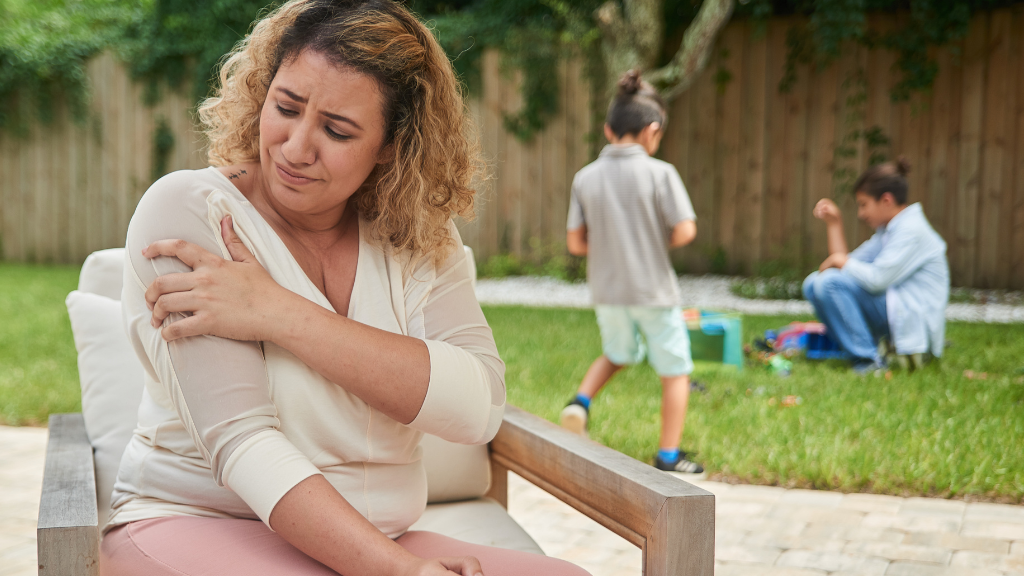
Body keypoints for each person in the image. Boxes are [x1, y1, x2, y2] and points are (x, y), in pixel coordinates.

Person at [100, 2, 591, 575]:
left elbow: (476, 409)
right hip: (198, 522)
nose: (296, 147)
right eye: (285, 108)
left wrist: (279, 313)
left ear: (391, 145)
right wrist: (398, 572)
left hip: (381, 539)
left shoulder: (418, 237)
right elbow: (242, 443)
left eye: (337, 130)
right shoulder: (189, 212)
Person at [557, 70, 702, 474]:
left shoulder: (585, 178)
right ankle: (669, 456)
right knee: (676, 372)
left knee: (618, 352)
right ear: (652, 131)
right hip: (653, 292)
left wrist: (610, 246)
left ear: (608, 130)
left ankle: (579, 403)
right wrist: (651, 242)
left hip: (607, 291)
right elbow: (685, 229)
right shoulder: (661, 173)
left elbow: (575, 243)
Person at [803, 159, 949, 375]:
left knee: (829, 283)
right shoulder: (889, 231)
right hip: (894, 310)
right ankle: (857, 352)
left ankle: (868, 362)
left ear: (886, 200)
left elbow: (876, 279)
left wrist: (840, 262)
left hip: (914, 326)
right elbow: (845, 264)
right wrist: (834, 223)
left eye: (863, 204)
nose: (861, 214)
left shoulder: (911, 231)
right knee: (813, 283)